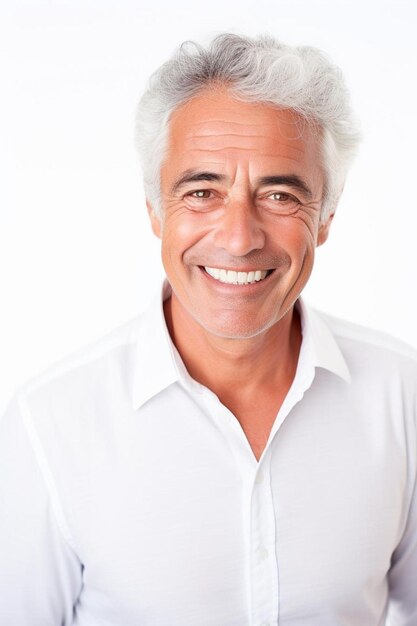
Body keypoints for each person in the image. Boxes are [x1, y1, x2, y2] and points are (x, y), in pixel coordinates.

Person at [0, 32, 416, 626]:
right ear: (154, 210)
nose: (239, 236)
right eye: (202, 192)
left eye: (279, 194)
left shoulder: (403, 395)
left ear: (325, 216)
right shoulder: (50, 425)